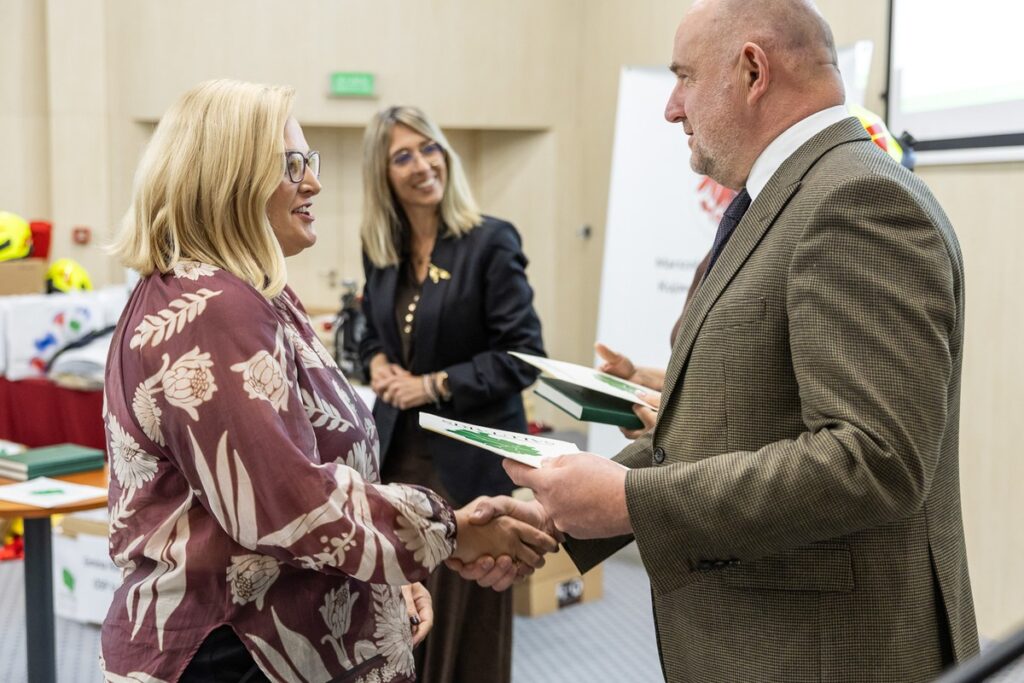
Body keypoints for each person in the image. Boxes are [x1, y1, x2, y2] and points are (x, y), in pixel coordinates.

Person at [467, 1, 981, 680]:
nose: (671, 108)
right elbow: (723, 427)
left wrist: (627, 499)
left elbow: (873, 459)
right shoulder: (786, 199)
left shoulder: (855, 201)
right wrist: (556, 512)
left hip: (827, 653)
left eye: (683, 77)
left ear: (752, 69)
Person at [101, 80, 556, 683]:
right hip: (235, 649)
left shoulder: (250, 291)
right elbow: (283, 501)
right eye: (293, 165)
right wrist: (441, 533)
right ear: (231, 175)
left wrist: (383, 581)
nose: (312, 181)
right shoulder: (212, 307)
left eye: (308, 162)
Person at [358, 105, 545, 683]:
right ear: (383, 174)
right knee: (401, 619)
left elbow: (524, 355)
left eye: (430, 148)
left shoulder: (489, 241)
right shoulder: (382, 250)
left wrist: (433, 384)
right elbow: (368, 330)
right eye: (403, 156)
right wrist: (379, 362)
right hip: (400, 461)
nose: (422, 164)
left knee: (467, 626)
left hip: (471, 463)